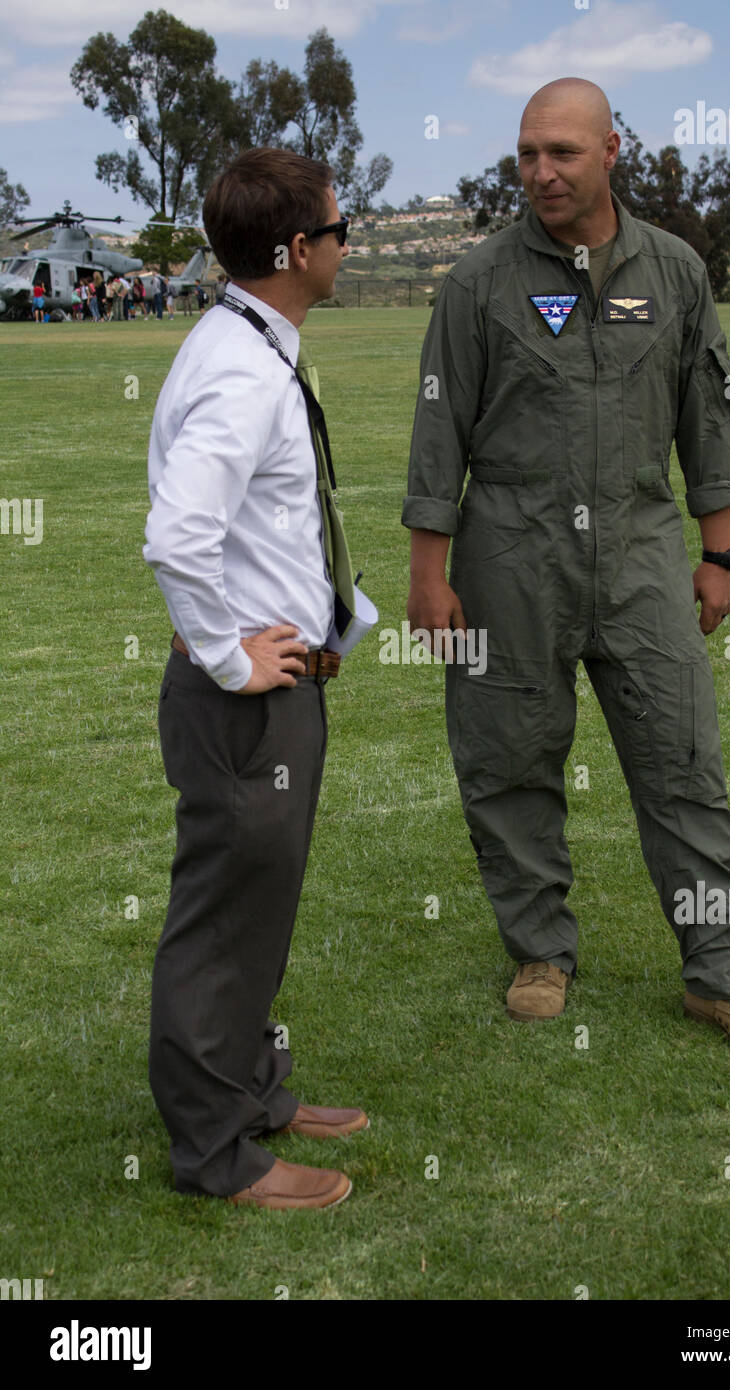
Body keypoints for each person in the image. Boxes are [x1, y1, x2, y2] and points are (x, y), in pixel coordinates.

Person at [403, 77, 730, 1054]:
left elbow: (707, 419)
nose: (540, 171)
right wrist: (429, 571)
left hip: (637, 557)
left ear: (609, 149)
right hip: (508, 559)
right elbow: (436, 433)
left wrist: (718, 555)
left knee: (684, 762)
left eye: (561, 153)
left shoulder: (672, 273)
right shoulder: (475, 285)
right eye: (526, 152)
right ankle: (538, 952)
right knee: (508, 760)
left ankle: (721, 977)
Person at [143, 146, 365, 1211]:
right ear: (294, 251)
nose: (343, 245)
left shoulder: (247, 342)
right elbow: (177, 536)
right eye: (336, 230)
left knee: (257, 907)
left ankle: (253, 1094)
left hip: (274, 692)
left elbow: (264, 529)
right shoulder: (239, 368)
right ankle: (217, 1151)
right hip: (244, 705)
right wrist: (234, 657)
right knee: (225, 916)